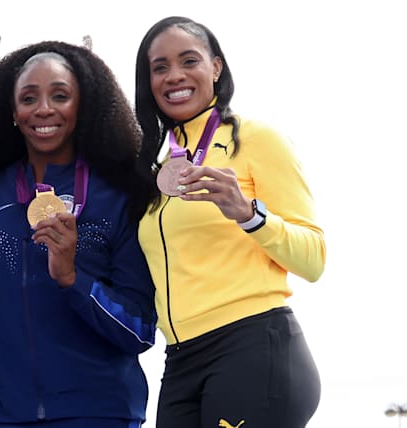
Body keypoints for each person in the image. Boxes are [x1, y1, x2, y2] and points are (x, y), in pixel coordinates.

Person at [0, 40, 158, 428]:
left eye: (60, 96)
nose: (43, 109)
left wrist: (74, 280)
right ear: (12, 111)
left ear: (83, 106)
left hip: (97, 413)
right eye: (29, 97)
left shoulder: (117, 198)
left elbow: (140, 329)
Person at [134, 16, 326, 428]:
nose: (175, 76)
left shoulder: (257, 138)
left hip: (252, 344)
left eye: (189, 61)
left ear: (216, 67)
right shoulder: (156, 165)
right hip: (180, 360)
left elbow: (314, 260)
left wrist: (249, 215)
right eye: (160, 67)